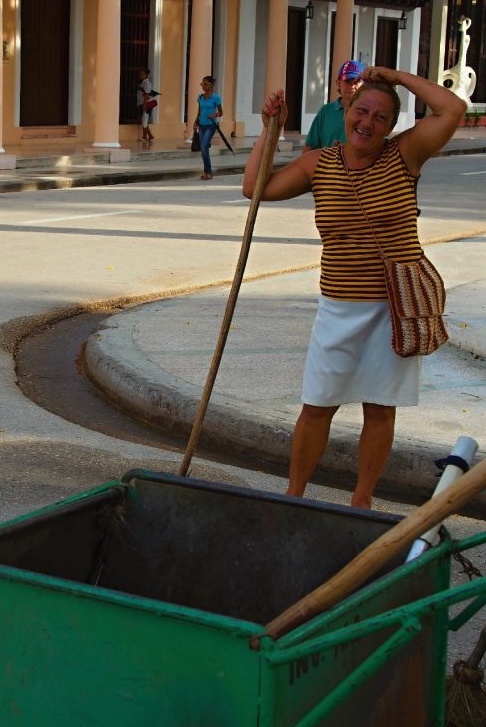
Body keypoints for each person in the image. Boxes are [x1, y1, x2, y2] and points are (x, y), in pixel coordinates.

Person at [243, 67, 465, 508]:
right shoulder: (318, 163)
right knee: (317, 405)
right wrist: (269, 128)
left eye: (381, 117)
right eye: (362, 110)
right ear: (346, 110)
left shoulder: (406, 154)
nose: (368, 122)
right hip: (339, 306)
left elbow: (452, 108)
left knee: (380, 408)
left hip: (393, 307)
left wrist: (395, 78)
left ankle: (361, 500)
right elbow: (255, 187)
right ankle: (294, 495)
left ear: (392, 126)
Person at [303, 59, 366, 151]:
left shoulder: (369, 114)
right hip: (327, 164)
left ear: (364, 84)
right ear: (338, 83)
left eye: (356, 82)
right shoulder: (326, 112)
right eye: (348, 81)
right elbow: (310, 147)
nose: (352, 86)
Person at [194, 75, 223, 180]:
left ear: (211, 85)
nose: (203, 85)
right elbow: (199, 111)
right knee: (204, 149)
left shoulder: (216, 98)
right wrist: (195, 121)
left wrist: (214, 115)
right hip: (201, 125)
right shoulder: (200, 97)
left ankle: (208, 172)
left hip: (211, 125)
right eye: (202, 83)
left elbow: (221, 113)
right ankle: (206, 172)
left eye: (205, 84)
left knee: (203, 147)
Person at [137, 68, 156, 142]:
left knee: (144, 120)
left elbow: (147, 93)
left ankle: (145, 137)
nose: (140, 75)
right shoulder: (143, 82)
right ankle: (149, 136)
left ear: (146, 75)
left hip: (146, 104)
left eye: (142, 74)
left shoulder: (146, 82)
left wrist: (144, 104)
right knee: (144, 120)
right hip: (143, 103)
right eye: (140, 74)